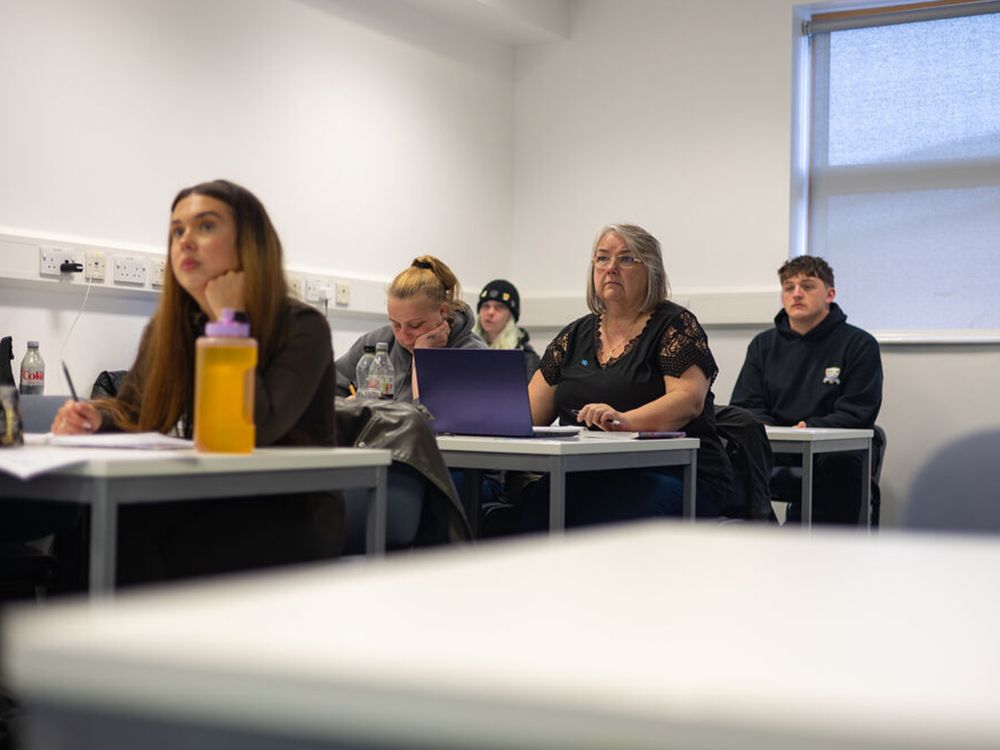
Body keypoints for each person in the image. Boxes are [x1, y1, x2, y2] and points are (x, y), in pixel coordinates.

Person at [51, 179, 343, 583]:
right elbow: (135, 411)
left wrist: (228, 322)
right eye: (177, 231)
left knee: (139, 538)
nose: (185, 241)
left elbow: (255, 429)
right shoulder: (171, 327)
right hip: (206, 490)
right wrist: (95, 418)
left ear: (250, 244)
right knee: (92, 526)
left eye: (205, 226)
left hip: (288, 506)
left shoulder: (302, 327)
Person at [519, 223, 732, 528]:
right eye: (602, 259)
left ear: (652, 272)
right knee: (530, 510)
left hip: (673, 474)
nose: (611, 269)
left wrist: (625, 421)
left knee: (598, 518)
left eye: (626, 259)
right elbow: (527, 414)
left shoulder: (676, 325)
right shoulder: (574, 335)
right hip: (587, 474)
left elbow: (688, 401)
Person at [730, 255, 883, 525]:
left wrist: (810, 427)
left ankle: (813, 553)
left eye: (808, 286)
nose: (796, 294)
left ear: (830, 294)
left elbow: (858, 411)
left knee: (840, 466)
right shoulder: (762, 345)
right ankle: (761, 542)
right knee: (725, 455)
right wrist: (771, 431)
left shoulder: (859, 344)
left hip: (832, 451)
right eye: (789, 287)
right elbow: (745, 405)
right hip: (773, 447)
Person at [335, 255, 486, 401]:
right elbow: (325, 389)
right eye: (396, 324)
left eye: (415, 325)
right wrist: (348, 408)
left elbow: (429, 421)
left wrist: (423, 358)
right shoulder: (378, 341)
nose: (403, 336)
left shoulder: (473, 356)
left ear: (442, 312)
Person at [473, 279, 541, 379]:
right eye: (485, 306)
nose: (490, 312)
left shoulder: (525, 359)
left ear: (511, 317)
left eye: (499, 307)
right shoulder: (466, 348)